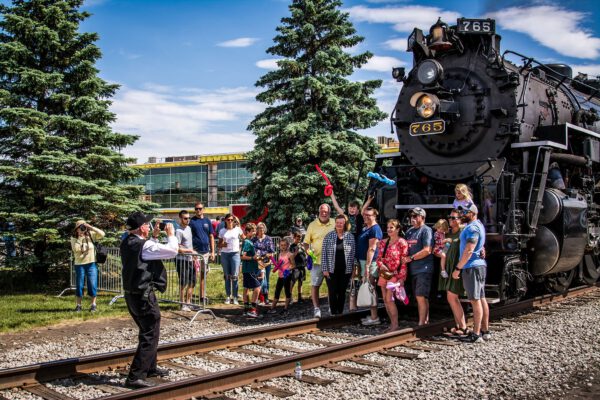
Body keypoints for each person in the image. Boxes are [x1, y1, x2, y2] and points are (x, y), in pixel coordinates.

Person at [120, 212, 178, 389]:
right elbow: (172, 251)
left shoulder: (127, 242)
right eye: (147, 224)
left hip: (132, 293)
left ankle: (150, 367)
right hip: (143, 295)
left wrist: (154, 237)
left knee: (148, 328)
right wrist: (171, 235)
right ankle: (135, 376)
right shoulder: (143, 246)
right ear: (142, 228)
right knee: (150, 332)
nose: (150, 226)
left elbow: (150, 249)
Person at [453, 203, 491, 343]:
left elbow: (469, 250)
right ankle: (485, 331)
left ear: (473, 213)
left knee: (475, 300)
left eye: (465, 213)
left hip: (472, 266)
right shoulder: (478, 224)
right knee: (481, 298)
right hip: (478, 265)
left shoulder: (473, 228)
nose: (462, 215)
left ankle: (476, 334)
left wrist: (458, 268)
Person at [401, 207, 434, 326]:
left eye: (415, 216)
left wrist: (411, 258)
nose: (412, 219)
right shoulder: (409, 231)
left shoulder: (426, 230)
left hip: (423, 268)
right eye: (411, 217)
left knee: (421, 295)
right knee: (420, 296)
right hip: (412, 269)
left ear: (422, 218)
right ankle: (425, 321)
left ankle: (422, 323)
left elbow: (427, 250)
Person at [438, 210, 468, 336]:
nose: (451, 219)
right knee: (451, 297)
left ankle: (463, 327)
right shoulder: (449, 233)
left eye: (454, 218)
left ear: (460, 219)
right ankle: (458, 325)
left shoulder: (463, 232)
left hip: (456, 267)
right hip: (448, 267)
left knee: (452, 296)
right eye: (449, 217)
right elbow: (445, 249)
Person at [375, 219, 408, 332]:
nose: (388, 230)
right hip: (385, 274)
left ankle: (395, 325)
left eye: (391, 228)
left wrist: (402, 278)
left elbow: (404, 262)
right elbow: (379, 258)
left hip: (395, 274)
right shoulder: (384, 242)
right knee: (385, 299)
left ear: (397, 229)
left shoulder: (402, 242)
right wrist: (381, 265)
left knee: (389, 299)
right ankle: (391, 324)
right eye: (388, 227)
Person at [303, 203, 335, 318]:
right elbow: (306, 243)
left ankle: (332, 306)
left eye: (326, 211)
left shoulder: (335, 223)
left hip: (332, 261)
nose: (323, 213)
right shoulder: (312, 225)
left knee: (332, 286)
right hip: (317, 261)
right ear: (319, 212)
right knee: (315, 285)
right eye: (322, 211)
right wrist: (309, 253)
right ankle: (316, 308)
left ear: (329, 212)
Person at [321, 214, 355, 315]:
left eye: (341, 223)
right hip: (331, 269)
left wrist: (354, 268)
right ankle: (333, 312)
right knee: (332, 291)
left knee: (342, 291)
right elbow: (324, 254)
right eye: (337, 223)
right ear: (335, 223)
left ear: (345, 224)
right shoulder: (329, 236)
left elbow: (353, 253)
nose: (339, 225)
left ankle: (339, 312)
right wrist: (324, 269)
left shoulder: (350, 236)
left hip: (346, 269)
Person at [70, 220, 105, 312]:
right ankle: (78, 305)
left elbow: (102, 234)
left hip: (91, 264)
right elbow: (76, 249)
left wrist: (91, 227)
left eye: (83, 227)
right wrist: (80, 238)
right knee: (79, 285)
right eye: (80, 227)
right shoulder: (74, 238)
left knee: (92, 284)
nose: (82, 229)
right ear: (76, 229)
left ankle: (93, 305)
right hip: (79, 265)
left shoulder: (91, 235)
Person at [358, 207, 383, 326]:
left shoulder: (375, 229)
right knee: (369, 287)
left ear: (374, 216)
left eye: (369, 215)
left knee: (371, 287)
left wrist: (367, 267)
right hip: (365, 262)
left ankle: (374, 317)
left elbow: (372, 249)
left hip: (371, 263)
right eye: (364, 215)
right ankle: (373, 315)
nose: (366, 217)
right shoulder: (367, 228)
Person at [189, 202, 214, 301]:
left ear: (203, 209)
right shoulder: (192, 221)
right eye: (196, 209)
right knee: (194, 275)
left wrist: (212, 252)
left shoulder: (207, 221)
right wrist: (192, 251)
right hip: (195, 252)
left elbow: (211, 236)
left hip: (206, 252)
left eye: (200, 208)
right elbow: (188, 236)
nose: (198, 210)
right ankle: (189, 297)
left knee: (203, 275)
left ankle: (202, 296)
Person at [218, 213, 244, 305]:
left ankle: (235, 296)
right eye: (228, 220)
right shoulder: (222, 231)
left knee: (235, 276)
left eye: (231, 220)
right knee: (227, 276)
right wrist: (222, 245)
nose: (230, 221)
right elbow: (219, 244)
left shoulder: (238, 229)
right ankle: (228, 296)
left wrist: (244, 250)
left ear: (234, 221)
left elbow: (244, 239)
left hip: (235, 254)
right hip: (225, 254)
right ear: (225, 220)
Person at [268, 239, 295, 316]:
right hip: (280, 275)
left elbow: (293, 265)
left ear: (287, 245)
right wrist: (276, 265)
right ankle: (272, 308)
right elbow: (278, 264)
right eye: (281, 245)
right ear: (279, 246)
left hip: (287, 275)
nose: (283, 247)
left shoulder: (290, 254)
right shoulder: (280, 254)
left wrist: (287, 269)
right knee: (277, 291)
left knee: (287, 292)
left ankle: (286, 309)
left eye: (284, 245)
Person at [175, 210, 196, 311]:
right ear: (180, 218)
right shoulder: (178, 231)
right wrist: (190, 251)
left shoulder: (189, 228)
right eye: (185, 218)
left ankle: (189, 302)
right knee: (183, 282)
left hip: (190, 259)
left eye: (189, 218)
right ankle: (182, 303)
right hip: (182, 260)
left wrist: (193, 254)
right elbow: (177, 248)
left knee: (192, 281)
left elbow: (189, 244)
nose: (188, 220)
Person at [241, 223, 261, 318]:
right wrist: (253, 258)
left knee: (246, 288)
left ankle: (246, 310)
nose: (254, 233)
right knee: (257, 288)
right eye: (252, 231)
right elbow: (242, 256)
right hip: (249, 269)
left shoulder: (248, 241)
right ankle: (253, 310)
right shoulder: (247, 242)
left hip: (248, 269)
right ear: (248, 232)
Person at [252, 222, 275, 305]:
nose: (260, 230)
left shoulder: (268, 238)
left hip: (266, 262)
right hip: (257, 262)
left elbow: (272, 252)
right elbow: (252, 251)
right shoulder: (253, 239)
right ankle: (258, 297)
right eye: (258, 228)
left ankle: (266, 297)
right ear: (256, 230)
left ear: (264, 229)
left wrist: (265, 255)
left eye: (262, 228)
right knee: (258, 280)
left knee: (266, 280)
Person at [289, 231, 307, 302]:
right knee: (292, 282)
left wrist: (303, 249)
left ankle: (300, 297)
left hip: (302, 266)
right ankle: (290, 297)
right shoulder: (292, 246)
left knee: (301, 282)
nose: (299, 240)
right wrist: (296, 252)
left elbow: (305, 254)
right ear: (294, 238)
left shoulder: (301, 246)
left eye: (300, 239)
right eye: (297, 239)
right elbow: (291, 257)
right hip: (296, 267)